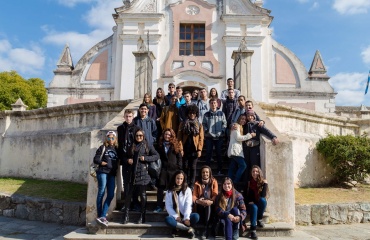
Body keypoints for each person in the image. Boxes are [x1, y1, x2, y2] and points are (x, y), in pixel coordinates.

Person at [122, 129, 160, 224]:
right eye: (137, 135)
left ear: (143, 136)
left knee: (143, 194)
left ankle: (142, 216)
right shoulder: (131, 145)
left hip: (143, 172)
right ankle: (126, 215)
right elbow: (124, 156)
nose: (139, 137)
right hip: (132, 173)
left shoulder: (147, 145)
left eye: (140, 136)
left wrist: (145, 158)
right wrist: (128, 160)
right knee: (128, 194)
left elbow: (156, 156)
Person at [117, 109, 141, 211]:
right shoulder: (120, 128)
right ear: (124, 117)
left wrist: (133, 158)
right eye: (126, 116)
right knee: (126, 183)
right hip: (124, 159)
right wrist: (125, 159)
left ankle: (135, 203)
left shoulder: (137, 128)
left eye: (130, 116)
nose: (128, 118)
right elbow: (120, 145)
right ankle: (127, 203)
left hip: (134, 159)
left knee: (134, 182)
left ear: (133, 117)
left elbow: (139, 143)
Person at [154, 128, 183, 213]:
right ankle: (159, 206)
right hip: (163, 169)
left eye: (169, 135)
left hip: (173, 170)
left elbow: (179, 157)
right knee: (160, 188)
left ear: (172, 136)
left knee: (172, 189)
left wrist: (179, 168)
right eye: (166, 134)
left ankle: (172, 206)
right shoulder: (159, 145)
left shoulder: (175, 145)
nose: (167, 136)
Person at [94, 131, 119, 228]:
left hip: (112, 174)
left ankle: (102, 215)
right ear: (106, 138)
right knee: (101, 192)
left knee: (111, 194)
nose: (111, 139)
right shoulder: (102, 147)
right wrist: (103, 163)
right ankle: (101, 215)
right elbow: (95, 159)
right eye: (109, 138)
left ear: (115, 139)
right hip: (103, 172)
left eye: (113, 138)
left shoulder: (116, 149)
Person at [165, 170, 199, 239]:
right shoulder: (169, 191)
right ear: (174, 178)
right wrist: (176, 217)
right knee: (168, 219)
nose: (179, 180)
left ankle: (177, 227)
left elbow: (188, 205)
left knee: (196, 216)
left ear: (183, 180)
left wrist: (186, 218)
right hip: (175, 216)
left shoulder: (187, 190)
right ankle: (188, 229)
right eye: (177, 178)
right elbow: (168, 206)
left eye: (181, 179)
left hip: (185, 215)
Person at [177, 104, 204, 189]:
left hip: (194, 149)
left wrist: (199, 149)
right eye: (190, 113)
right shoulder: (182, 124)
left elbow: (201, 138)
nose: (192, 115)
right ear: (187, 114)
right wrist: (181, 149)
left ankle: (192, 184)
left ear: (196, 114)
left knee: (193, 167)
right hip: (185, 149)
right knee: (185, 166)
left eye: (194, 113)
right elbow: (179, 137)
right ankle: (185, 182)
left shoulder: (199, 125)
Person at [134, 103, 158, 190]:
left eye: (145, 109)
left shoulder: (151, 121)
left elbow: (155, 132)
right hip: (139, 145)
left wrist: (152, 140)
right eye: (142, 109)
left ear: (148, 111)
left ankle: (152, 183)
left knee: (152, 165)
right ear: (139, 110)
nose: (143, 110)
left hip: (149, 145)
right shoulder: (135, 121)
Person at [227, 115, 255, 183]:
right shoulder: (236, 126)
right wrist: (250, 135)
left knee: (232, 167)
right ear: (239, 119)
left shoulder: (240, 127)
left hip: (235, 150)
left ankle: (229, 182)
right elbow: (238, 138)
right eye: (242, 119)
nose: (244, 121)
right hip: (235, 150)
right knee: (243, 165)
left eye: (245, 120)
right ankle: (235, 182)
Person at [202, 98, 227, 175]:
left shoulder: (221, 114)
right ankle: (207, 172)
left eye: (215, 103)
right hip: (209, 137)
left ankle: (220, 170)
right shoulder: (206, 114)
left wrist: (222, 131)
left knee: (219, 154)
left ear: (217, 104)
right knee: (208, 154)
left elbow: (224, 123)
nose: (213, 104)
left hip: (219, 137)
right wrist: (207, 131)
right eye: (212, 103)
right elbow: (204, 124)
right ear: (209, 104)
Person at [192, 165, 218, 238]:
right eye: (203, 172)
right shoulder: (197, 183)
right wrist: (198, 201)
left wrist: (211, 201)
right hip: (200, 205)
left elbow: (215, 194)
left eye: (207, 172)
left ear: (210, 173)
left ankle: (205, 228)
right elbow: (194, 195)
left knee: (208, 205)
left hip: (210, 205)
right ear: (201, 173)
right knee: (205, 205)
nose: (205, 174)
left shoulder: (214, 181)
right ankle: (205, 227)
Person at [243, 165, 268, 239]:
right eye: (253, 171)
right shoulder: (248, 183)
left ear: (259, 172)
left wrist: (265, 184)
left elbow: (263, 196)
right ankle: (253, 230)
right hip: (250, 204)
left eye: (256, 171)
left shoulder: (262, 182)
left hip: (258, 203)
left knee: (263, 200)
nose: (255, 173)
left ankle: (259, 219)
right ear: (251, 173)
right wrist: (249, 201)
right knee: (254, 207)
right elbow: (244, 195)